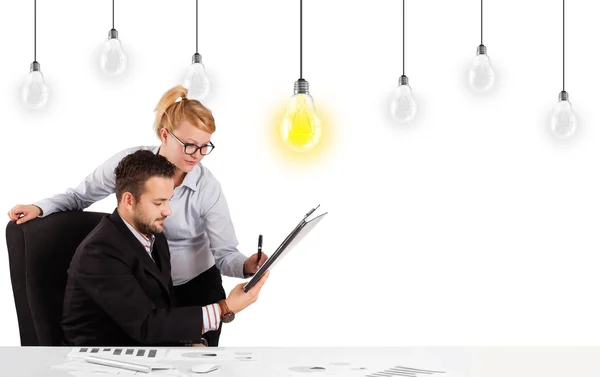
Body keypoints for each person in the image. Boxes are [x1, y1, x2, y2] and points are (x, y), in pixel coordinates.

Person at [7, 85, 268, 346]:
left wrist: (247, 267)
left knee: (195, 356)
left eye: (204, 147)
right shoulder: (130, 171)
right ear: (165, 135)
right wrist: (41, 208)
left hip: (187, 286)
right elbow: (79, 196)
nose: (197, 155)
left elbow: (224, 252)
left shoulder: (170, 228)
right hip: (139, 290)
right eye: (189, 145)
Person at [62, 150, 269, 346]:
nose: (168, 211)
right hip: (99, 360)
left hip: (144, 350)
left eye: (169, 200)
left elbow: (162, 310)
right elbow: (146, 325)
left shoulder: (155, 237)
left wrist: (191, 343)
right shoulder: (100, 253)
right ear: (128, 200)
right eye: (159, 202)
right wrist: (225, 308)